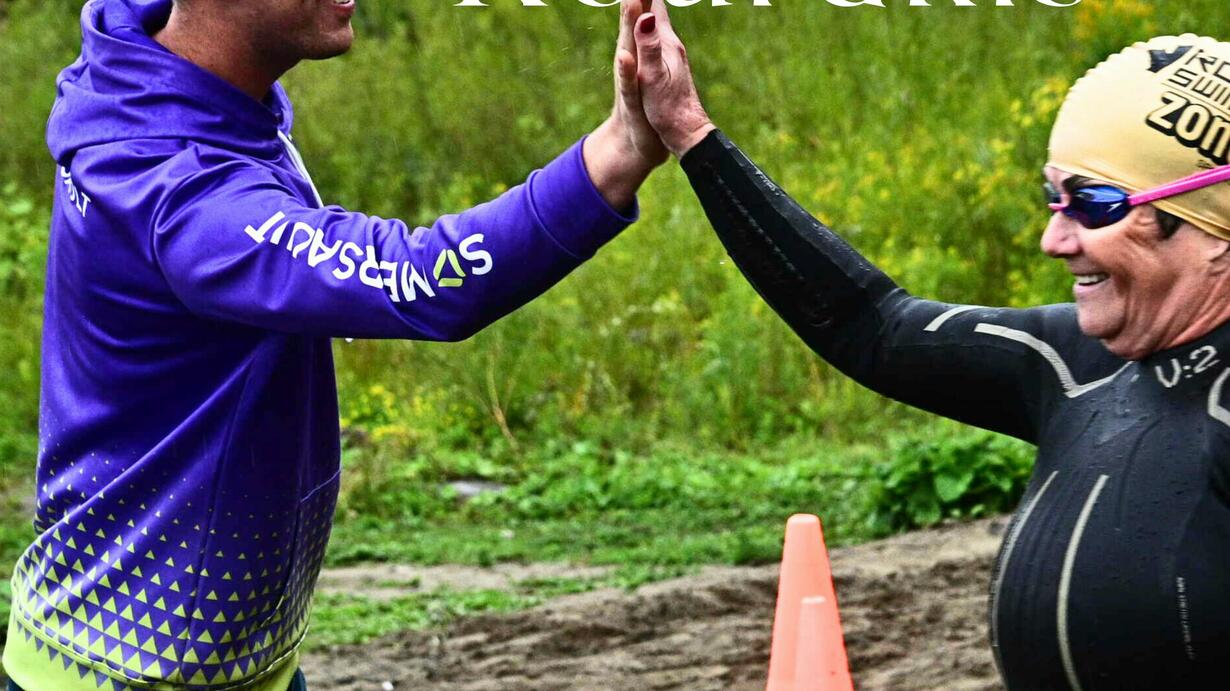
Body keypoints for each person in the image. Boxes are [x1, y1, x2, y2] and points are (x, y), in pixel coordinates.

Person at [2, 0, 670, 688]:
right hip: (123, 674)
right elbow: (422, 278)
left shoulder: (163, 81)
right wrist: (618, 151)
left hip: (233, 665)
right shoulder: (179, 192)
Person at [630, 4, 1230, 689]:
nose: (1055, 239)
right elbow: (871, 325)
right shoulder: (1078, 367)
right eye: (1053, 197)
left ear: (1212, 226)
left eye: (1095, 203)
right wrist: (689, 132)